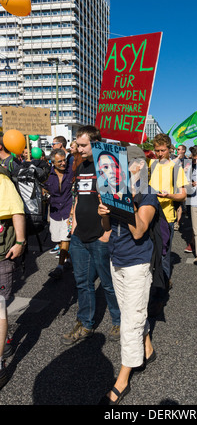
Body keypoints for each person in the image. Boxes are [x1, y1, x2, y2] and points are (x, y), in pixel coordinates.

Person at [98, 146, 157, 405]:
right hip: (116, 260)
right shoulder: (113, 192)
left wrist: (127, 202)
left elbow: (138, 231)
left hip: (137, 264)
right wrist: (104, 215)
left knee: (130, 322)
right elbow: (107, 229)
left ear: (138, 168)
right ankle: (148, 348)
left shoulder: (148, 195)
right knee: (129, 313)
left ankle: (122, 380)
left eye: (129, 165)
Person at [62, 125, 120, 345]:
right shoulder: (80, 166)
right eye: (77, 144)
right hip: (79, 236)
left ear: (95, 143)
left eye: (83, 144)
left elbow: (117, 201)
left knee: (108, 283)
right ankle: (85, 323)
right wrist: (73, 227)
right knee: (83, 284)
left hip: (100, 236)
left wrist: (107, 232)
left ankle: (119, 320)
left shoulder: (106, 166)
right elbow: (78, 198)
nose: (78, 148)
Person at [149, 133, 188, 287]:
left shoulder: (176, 168)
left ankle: (163, 285)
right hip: (149, 214)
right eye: (157, 150)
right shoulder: (150, 164)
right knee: (149, 252)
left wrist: (168, 195)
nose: (160, 154)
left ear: (170, 149)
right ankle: (152, 283)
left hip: (166, 216)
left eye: (163, 150)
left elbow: (183, 196)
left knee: (164, 254)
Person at [0, 165, 26, 389]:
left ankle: (0, 364)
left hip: (1, 256)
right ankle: (5, 342)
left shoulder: (2, 181)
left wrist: (20, 242)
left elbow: (17, 211)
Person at [44, 148, 74, 279]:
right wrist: (44, 194)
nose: (63, 163)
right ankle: (69, 257)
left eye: (64, 160)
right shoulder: (47, 175)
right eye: (59, 161)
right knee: (58, 240)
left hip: (68, 210)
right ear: (52, 162)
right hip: (55, 212)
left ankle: (60, 267)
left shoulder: (71, 171)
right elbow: (42, 188)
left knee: (65, 238)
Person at [172, 144, 187, 231]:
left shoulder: (186, 160)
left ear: (183, 151)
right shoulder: (175, 159)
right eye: (177, 149)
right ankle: (174, 220)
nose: (177, 151)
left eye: (179, 149)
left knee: (179, 204)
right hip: (174, 183)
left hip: (182, 184)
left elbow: (187, 172)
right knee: (175, 203)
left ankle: (177, 222)